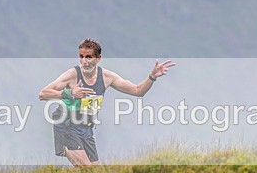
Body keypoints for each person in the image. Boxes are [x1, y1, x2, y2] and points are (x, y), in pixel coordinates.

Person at [38, 38, 175, 166]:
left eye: (89, 57)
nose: (84, 61)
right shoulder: (72, 75)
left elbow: (138, 91)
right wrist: (69, 93)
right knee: (86, 168)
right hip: (66, 124)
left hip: (86, 127)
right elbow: (43, 94)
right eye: (81, 56)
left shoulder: (107, 77)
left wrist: (151, 77)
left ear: (98, 58)